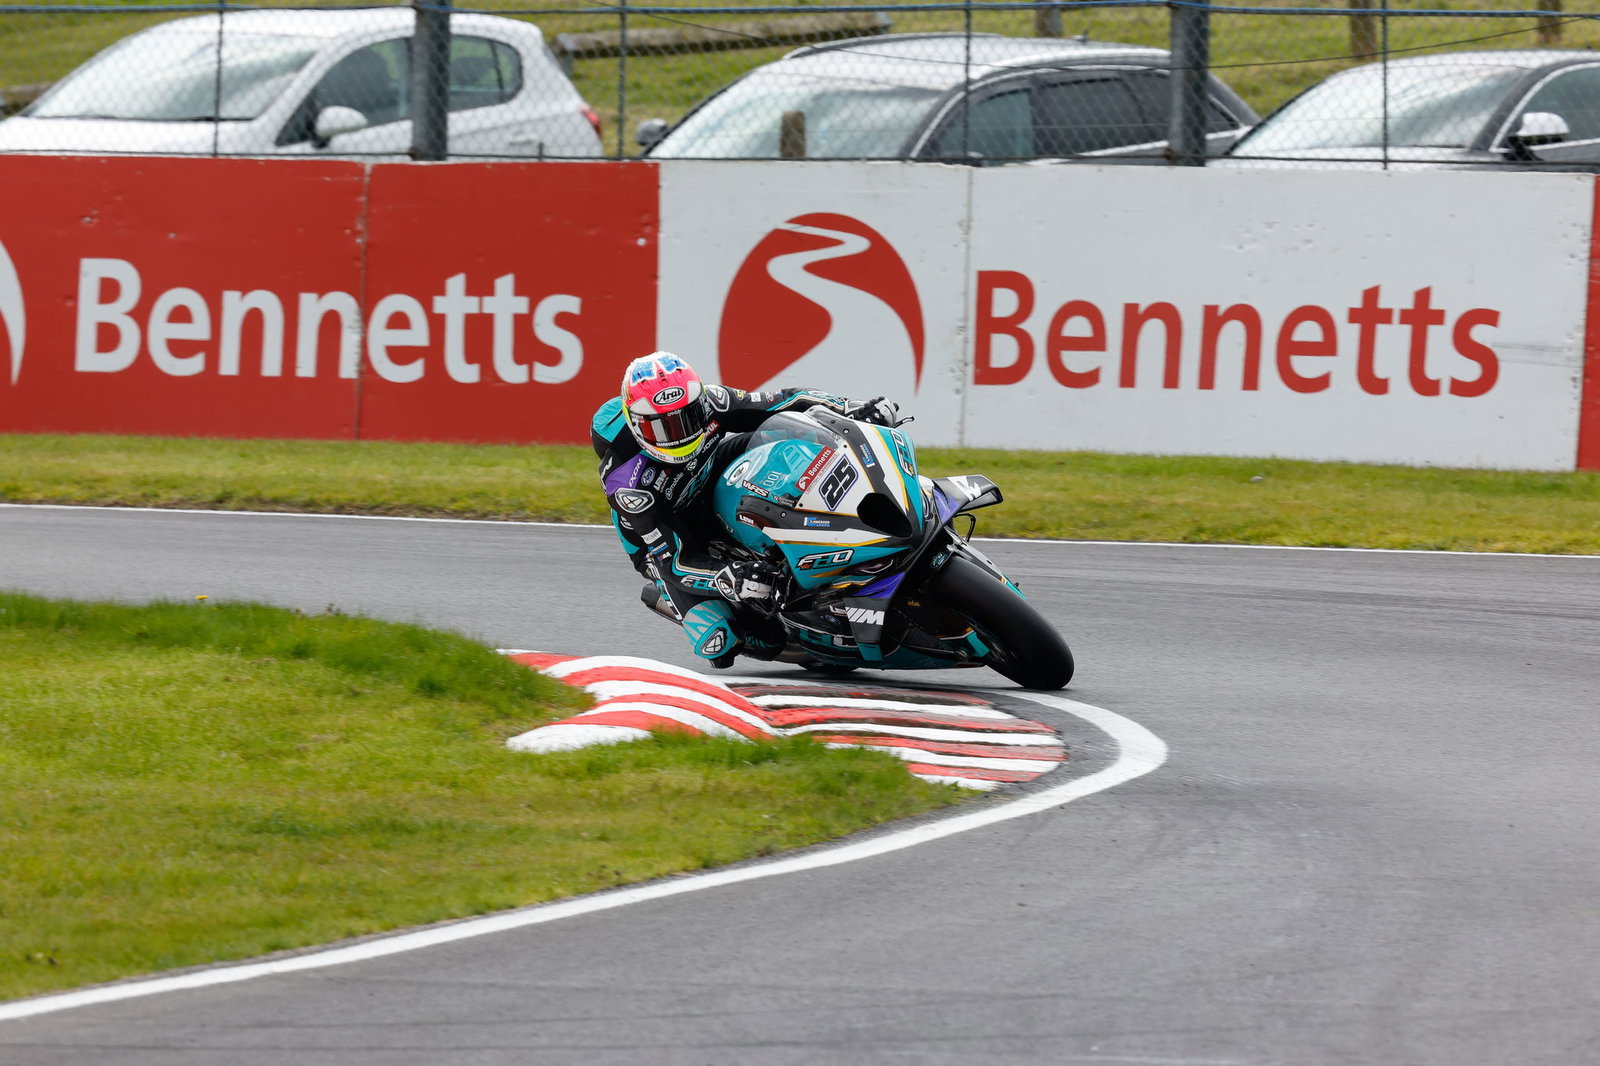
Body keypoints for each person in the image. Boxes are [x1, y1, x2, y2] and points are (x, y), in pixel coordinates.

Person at [591, 351, 900, 668]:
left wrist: (850, 410)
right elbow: (676, 561)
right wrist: (730, 576)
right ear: (638, 427)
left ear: (698, 403)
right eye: (665, 428)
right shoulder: (628, 484)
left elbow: (784, 401)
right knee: (726, 639)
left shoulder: (711, 400)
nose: (680, 434)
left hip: (710, 471)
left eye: (688, 418)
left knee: (790, 434)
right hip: (672, 535)